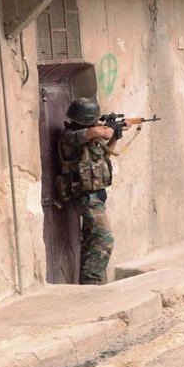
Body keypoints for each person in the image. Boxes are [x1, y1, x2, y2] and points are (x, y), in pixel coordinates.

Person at [55, 97, 131, 284]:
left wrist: (116, 135)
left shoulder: (89, 138)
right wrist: (108, 129)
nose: (97, 122)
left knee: (92, 239)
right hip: (86, 197)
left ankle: (89, 282)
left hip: (97, 195)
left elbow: (105, 155)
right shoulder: (70, 137)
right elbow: (97, 132)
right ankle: (93, 282)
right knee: (104, 238)